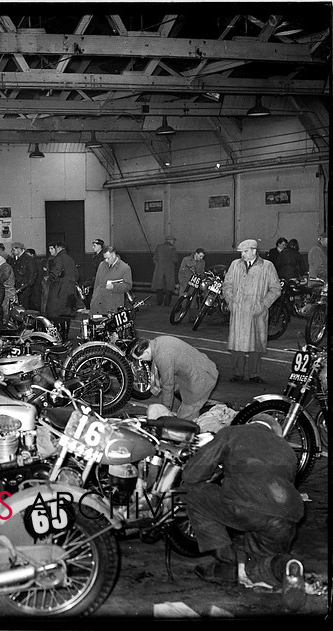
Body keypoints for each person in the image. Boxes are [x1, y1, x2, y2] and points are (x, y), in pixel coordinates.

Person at [181, 415, 306, 611]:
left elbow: (193, 474)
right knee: (258, 568)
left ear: (251, 423)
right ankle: (287, 566)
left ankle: (226, 565)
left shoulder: (232, 433)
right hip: (286, 515)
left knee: (190, 490)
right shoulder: (288, 450)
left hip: (245, 505)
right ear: (274, 431)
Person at [222, 239, 282, 383]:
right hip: (238, 311)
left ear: (254, 251)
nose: (242, 255)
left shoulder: (267, 266)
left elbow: (275, 289)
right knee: (237, 346)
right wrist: (231, 301)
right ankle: (238, 373)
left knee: (256, 345)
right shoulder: (235, 265)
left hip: (257, 312)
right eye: (241, 252)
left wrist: (262, 305)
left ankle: (254, 374)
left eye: (245, 251)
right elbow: (227, 285)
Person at [129, 336, 218, 420]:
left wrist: (164, 411)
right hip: (201, 366)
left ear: (146, 352)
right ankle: (189, 402)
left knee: (184, 416)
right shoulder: (156, 342)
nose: (141, 361)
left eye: (140, 358)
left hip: (202, 377)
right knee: (166, 382)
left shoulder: (162, 357)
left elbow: (168, 386)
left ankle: (193, 418)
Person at [44, 242, 79, 340]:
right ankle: (65, 337)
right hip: (70, 292)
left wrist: (48, 280)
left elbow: (54, 274)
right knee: (66, 317)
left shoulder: (59, 259)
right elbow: (76, 275)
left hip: (59, 292)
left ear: (58, 248)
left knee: (56, 317)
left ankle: (58, 339)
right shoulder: (70, 259)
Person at [91, 245, 133, 316]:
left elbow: (128, 285)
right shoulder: (101, 265)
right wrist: (93, 299)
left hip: (113, 305)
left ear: (113, 255)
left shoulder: (125, 268)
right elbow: (97, 284)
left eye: (108, 258)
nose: (106, 261)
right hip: (98, 304)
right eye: (105, 258)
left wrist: (114, 286)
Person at [151, 235, 178, 306]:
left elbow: (155, 258)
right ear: (170, 240)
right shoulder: (172, 248)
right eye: (173, 240)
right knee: (169, 287)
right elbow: (175, 260)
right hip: (169, 270)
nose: (174, 242)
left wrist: (158, 265)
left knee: (159, 286)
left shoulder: (158, 247)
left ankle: (159, 301)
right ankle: (167, 303)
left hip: (159, 269)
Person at [11, 242, 38, 309]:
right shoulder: (17, 259)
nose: (12, 252)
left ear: (19, 249)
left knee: (24, 309)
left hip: (25, 289)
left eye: (13, 250)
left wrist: (24, 287)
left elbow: (32, 276)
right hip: (19, 288)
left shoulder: (28, 259)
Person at [0, 251, 16, 323]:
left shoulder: (6, 268)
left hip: (7, 293)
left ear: (1, 258)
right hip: (0, 293)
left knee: (6, 312)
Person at [83, 238, 105, 310]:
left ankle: (91, 307)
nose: (93, 248)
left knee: (89, 288)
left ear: (100, 246)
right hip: (95, 277)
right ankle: (89, 307)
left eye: (94, 246)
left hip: (100, 278)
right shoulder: (95, 256)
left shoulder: (103, 256)